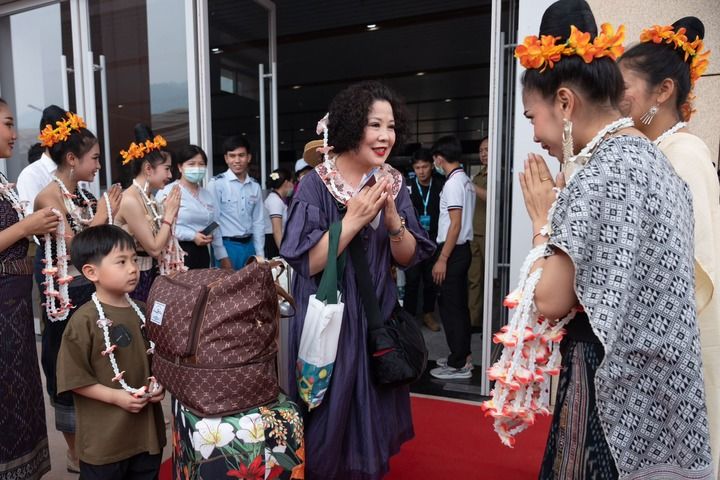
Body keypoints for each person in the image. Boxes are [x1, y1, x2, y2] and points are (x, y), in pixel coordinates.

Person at [513, 0, 712, 476]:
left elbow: (551, 299)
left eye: (531, 117)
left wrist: (542, 220)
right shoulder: (652, 158)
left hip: (610, 383)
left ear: (565, 103)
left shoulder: (600, 169)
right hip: (658, 385)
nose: (535, 135)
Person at [280, 81, 434, 479]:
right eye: (374, 125)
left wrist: (394, 223)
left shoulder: (392, 182)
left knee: (371, 415)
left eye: (391, 126)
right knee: (328, 417)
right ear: (350, 127)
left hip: (376, 315)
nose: (385, 136)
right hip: (331, 320)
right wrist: (351, 222)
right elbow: (305, 261)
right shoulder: (316, 185)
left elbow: (408, 256)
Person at [619, 16, 719, 475]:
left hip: (679, 341)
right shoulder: (652, 151)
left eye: (623, 88)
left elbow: (691, 265)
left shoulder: (685, 155)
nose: (616, 100)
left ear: (662, 91)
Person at [33, 109, 122, 472]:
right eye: (94, 158)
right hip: (65, 297)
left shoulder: (81, 194)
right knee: (67, 367)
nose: (99, 165)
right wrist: (102, 216)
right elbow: (77, 249)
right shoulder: (48, 196)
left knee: (97, 361)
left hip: (89, 291)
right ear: (72, 159)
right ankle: (75, 452)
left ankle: (98, 438)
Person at [57, 224, 166, 479]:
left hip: (146, 436)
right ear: (91, 272)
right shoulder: (84, 321)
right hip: (104, 441)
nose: (133, 268)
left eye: (134, 259)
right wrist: (117, 397)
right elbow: (73, 378)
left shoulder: (143, 311)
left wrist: (159, 385)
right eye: (121, 261)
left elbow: (158, 361)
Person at [0, 98, 58, 479]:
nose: (14, 134)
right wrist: (26, 227)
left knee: (20, 398)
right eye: (7, 124)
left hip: (15, 310)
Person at [114, 124, 182, 301]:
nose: (170, 175)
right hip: (131, 277)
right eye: (167, 168)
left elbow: (161, 243)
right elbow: (154, 248)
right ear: (148, 169)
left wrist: (169, 214)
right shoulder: (130, 199)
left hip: (148, 273)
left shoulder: (149, 197)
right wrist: (169, 216)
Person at [429, 135, 475, 380]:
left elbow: (454, 225)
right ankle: (462, 355)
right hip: (460, 250)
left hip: (453, 251)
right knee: (458, 307)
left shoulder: (453, 184)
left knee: (451, 309)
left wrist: (442, 258)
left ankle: (459, 364)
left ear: (439, 158)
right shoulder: (464, 180)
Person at [156, 144, 227, 269]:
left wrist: (222, 256)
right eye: (191, 164)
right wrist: (192, 236)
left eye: (201, 164)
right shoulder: (168, 191)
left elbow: (215, 224)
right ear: (180, 167)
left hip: (202, 252)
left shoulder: (207, 195)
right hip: (177, 252)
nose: (197, 168)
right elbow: (160, 226)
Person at [208, 136, 264, 268]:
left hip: (250, 246)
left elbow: (258, 222)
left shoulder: (255, 186)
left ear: (249, 157)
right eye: (232, 156)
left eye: (241, 155)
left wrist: (260, 254)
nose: (237, 160)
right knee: (226, 282)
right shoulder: (217, 184)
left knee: (251, 282)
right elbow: (213, 222)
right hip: (227, 246)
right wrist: (221, 255)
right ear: (226, 158)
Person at [404, 147, 443, 331]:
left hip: (434, 239)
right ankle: (409, 318)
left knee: (430, 280)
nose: (421, 171)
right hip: (413, 240)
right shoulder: (408, 187)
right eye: (417, 167)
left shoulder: (441, 185)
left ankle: (428, 313)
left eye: (425, 167)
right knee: (412, 280)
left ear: (431, 166)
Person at [17, 105, 68, 214]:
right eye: (58, 136)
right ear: (46, 137)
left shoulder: (72, 168)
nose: (64, 141)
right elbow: (32, 219)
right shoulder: (30, 175)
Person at [468, 136, 488, 328]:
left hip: (488, 234)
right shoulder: (479, 176)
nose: (483, 154)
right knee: (474, 278)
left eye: (487, 150)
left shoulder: (498, 174)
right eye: (481, 151)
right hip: (474, 232)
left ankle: (488, 320)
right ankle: (473, 320)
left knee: (489, 279)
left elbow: (492, 197)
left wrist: (471, 186)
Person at [263, 167, 293, 259]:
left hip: (275, 241)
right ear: (286, 183)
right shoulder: (275, 201)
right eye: (292, 182)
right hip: (273, 243)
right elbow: (277, 230)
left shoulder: (277, 200)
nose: (293, 185)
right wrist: (283, 252)